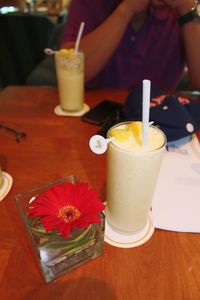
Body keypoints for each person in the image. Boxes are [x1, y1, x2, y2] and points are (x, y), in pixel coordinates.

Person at [60, 0, 200, 91]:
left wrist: (187, 9)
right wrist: (126, 9)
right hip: (92, 115)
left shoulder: (180, 9)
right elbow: (68, 69)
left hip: (160, 119)